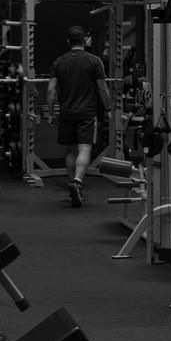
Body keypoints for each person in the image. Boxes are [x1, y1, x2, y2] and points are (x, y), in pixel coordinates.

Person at [48, 25, 111, 208]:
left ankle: (72, 186)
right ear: (85, 41)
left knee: (70, 150)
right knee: (84, 149)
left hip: (67, 112)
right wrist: (109, 108)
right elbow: (102, 88)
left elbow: (51, 90)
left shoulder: (58, 62)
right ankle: (77, 182)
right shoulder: (94, 61)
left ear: (68, 42)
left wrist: (51, 113)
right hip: (87, 113)